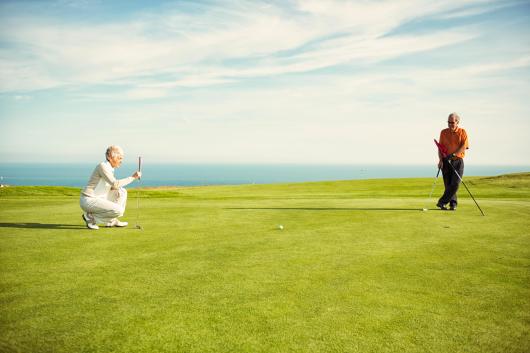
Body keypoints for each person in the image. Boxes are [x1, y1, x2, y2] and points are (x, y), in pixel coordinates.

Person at [80, 146, 141, 230]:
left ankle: (111, 220)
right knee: (119, 211)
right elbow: (115, 184)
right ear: (110, 157)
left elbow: (113, 186)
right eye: (119, 158)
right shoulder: (103, 166)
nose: (121, 161)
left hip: (99, 198)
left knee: (121, 191)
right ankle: (90, 217)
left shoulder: (109, 168)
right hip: (89, 200)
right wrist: (133, 177)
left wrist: (115, 189)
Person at [437, 113, 469, 211]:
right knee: (448, 185)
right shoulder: (443, 132)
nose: (450, 124)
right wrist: (440, 160)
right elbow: (440, 148)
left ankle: (442, 202)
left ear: (457, 122)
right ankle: (452, 204)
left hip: (457, 161)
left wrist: (454, 154)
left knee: (455, 183)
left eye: (452, 122)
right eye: (449, 122)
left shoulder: (462, 132)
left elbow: (464, 146)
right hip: (446, 162)